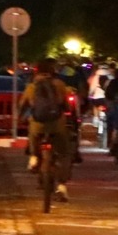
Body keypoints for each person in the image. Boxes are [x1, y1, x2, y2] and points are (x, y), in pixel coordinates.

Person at [18, 57, 74, 202]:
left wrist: (19, 118)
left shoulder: (31, 87)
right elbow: (67, 107)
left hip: (38, 125)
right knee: (65, 154)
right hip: (57, 125)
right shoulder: (60, 85)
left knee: (33, 132)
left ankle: (34, 157)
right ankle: (61, 186)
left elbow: (23, 106)